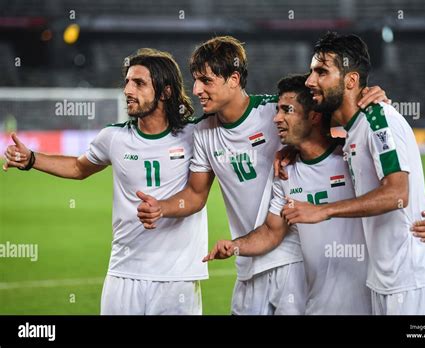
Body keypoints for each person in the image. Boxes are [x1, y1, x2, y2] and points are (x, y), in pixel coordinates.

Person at [135, 36, 399, 315]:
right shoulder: (203, 133)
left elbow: (343, 116)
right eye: (195, 80)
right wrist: (161, 208)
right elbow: (196, 193)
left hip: (293, 261)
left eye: (206, 81)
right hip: (248, 260)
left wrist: (373, 97)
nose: (197, 89)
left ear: (234, 79)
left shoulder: (276, 111)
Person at [202, 74, 425, 315]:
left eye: (287, 110)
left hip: (369, 302)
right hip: (316, 306)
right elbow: (271, 231)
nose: (276, 118)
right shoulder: (286, 172)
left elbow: (405, 194)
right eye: (277, 110)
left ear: (315, 115)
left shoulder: (350, 157)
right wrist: (234, 246)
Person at [3, 49, 208, 315]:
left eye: (139, 83)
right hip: (124, 272)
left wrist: (282, 153)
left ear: (166, 92)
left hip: (178, 277)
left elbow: (197, 194)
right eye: (127, 82)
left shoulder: (196, 136)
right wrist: (31, 159)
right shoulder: (114, 138)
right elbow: (78, 167)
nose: (128, 90)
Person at [287, 32, 425, 315]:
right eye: (312, 71)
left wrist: (323, 210)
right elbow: (403, 193)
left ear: (351, 80)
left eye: (321, 72)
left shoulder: (379, 118)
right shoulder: (354, 131)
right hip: (384, 281)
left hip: (412, 280)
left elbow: (398, 192)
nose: (310, 81)